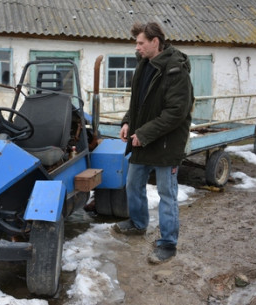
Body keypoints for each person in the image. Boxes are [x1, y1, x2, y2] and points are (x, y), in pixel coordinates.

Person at [113, 22, 194, 264]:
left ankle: (168, 244)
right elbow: (137, 102)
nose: (137, 47)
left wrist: (145, 133)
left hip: (166, 144)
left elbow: (176, 112)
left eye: (141, 43)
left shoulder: (175, 70)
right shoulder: (143, 65)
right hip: (143, 140)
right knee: (133, 184)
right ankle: (138, 223)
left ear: (155, 42)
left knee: (166, 194)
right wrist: (128, 122)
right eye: (136, 43)